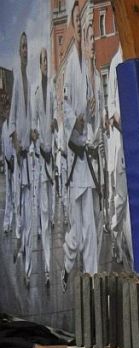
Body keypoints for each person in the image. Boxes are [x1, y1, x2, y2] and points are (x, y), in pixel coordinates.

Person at [62, 0, 100, 285]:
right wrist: (74, 120)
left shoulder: (89, 69)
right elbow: (64, 108)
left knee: (90, 226)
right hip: (75, 159)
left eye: (80, 19)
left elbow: (92, 112)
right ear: (72, 27)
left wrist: (91, 111)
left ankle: (92, 279)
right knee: (77, 230)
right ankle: (67, 262)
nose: (78, 23)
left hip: (87, 159)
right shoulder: (69, 69)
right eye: (75, 20)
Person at [28, 47, 57, 285]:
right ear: (39, 65)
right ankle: (47, 268)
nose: (46, 63)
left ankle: (49, 265)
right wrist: (36, 137)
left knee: (50, 213)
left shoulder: (53, 91)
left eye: (47, 59)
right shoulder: (36, 92)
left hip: (52, 160)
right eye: (43, 60)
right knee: (44, 217)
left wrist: (55, 125)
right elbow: (33, 126)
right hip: (41, 162)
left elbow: (55, 120)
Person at [105, 44, 132, 268]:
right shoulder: (115, 62)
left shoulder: (133, 53)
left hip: (135, 141)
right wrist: (119, 120)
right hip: (121, 140)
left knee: (131, 203)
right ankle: (114, 233)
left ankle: (132, 257)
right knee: (121, 200)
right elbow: (111, 105)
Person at [11, 32, 32, 268]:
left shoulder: (29, 78)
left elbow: (30, 118)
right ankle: (19, 238)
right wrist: (15, 141)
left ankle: (25, 251)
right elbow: (12, 117)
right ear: (19, 51)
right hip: (19, 154)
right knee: (18, 202)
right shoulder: (17, 76)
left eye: (27, 46)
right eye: (23, 46)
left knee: (27, 205)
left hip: (29, 155)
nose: (26, 50)